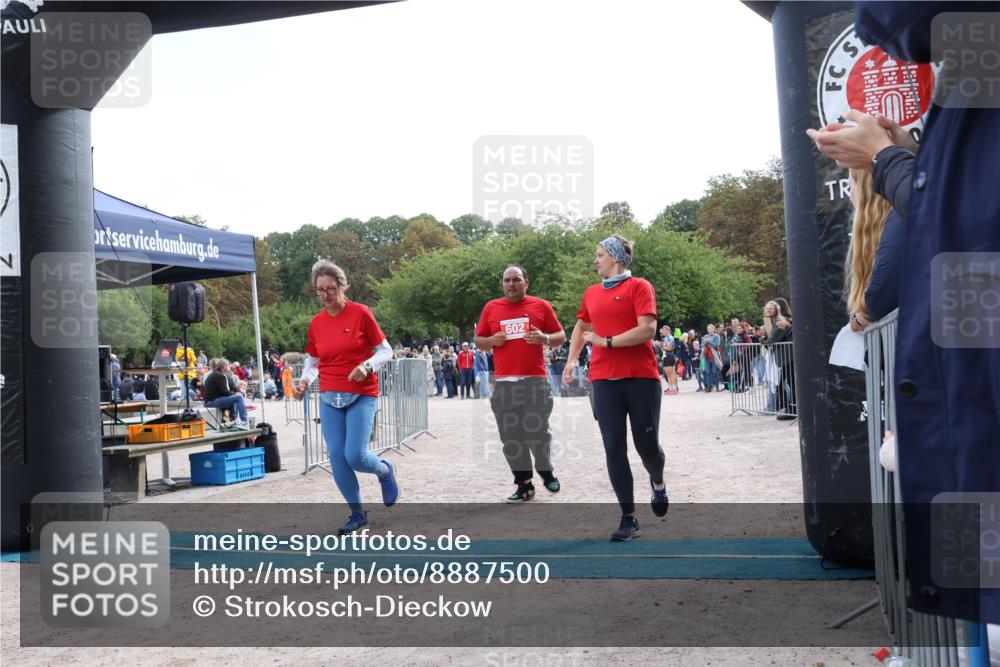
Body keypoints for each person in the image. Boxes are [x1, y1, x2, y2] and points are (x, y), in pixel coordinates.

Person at [562, 236, 667, 541]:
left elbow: (647, 329)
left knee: (647, 447)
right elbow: (581, 327)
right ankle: (628, 517)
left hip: (640, 376)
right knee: (614, 447)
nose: (595, 260)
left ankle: (658, 481)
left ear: (616, 257)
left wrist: (606, 342)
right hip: (603, 379)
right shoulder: (591, 293)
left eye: (600, 254)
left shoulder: (639, 287)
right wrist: (570, 361)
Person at [295, 260, 399, 535]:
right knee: (337, 457)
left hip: (361, 393)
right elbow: (313, 361)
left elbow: (385, 351)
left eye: (330, 288)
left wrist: (367, 366)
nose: (325, 294)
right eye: (320, 290)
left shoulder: (361, 313)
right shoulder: (316, 323)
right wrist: (304, 381)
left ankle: (384, 471)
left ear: (342, 286)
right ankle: (357, 514)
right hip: (330, 396)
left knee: (355, 455)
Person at [475, 265, 566, 502]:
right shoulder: (491, 307)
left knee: (537, 431)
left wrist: (545, 338)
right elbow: (479, 340)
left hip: (535, 382)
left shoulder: (541, 306)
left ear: (526, 282)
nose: (511, 284)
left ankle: (545, 470)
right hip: (504, 384)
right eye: (507, 280)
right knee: (511, 437)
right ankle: (524, 485)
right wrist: (491, 341)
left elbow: (560, 336)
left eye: (516, 279)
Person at [204, 358, 249, 426]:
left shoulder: (216, 374)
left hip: (211, 400)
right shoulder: (219, 375)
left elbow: (225, 391)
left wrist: (234, 394)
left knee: (235, 396)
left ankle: (233, 419)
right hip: (212, 402)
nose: (229, 367)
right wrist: (236, 393)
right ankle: (244, 420)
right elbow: (225, 392)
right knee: (239, 397)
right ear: (225, 367)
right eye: (228, 365)